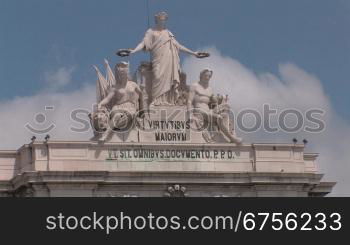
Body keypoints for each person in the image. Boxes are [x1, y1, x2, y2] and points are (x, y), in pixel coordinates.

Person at [125, 11, 207, 105]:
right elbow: (143, 43)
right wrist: (134, 50)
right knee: (157, 76)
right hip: (157, 59)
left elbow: (179, 46)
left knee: (169, 80)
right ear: (156, 20)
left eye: (164, 20)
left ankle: (168, 101)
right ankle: (156, 101)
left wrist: (193, 53)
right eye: (160, 19)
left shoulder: (168, 33)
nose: (162, 21)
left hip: (168, 59)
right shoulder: (151, 32)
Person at [187, 69, 242, 144]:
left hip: (209, 111)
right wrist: (190, 114)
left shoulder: (210, 89)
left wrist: (222, 99)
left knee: (225, 113)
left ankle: (225, 137)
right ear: (201, 76)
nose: (207, 78)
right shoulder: (194, 86)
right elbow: (189, 101)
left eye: (209, 76)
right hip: (199, 111)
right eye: (206, 75)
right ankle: (231, 138)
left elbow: (214, 100)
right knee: (218, 118)